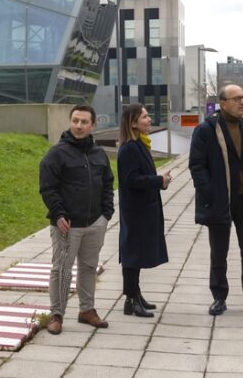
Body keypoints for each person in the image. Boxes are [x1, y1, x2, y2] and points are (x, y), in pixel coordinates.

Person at [189, 85, 243, 316]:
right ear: (222, 103)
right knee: (219, 252)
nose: (242, 102)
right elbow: (196, 166)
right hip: (220, 201)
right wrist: (210, 192)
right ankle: (219, 296)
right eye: (236, 98)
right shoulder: (206, 130)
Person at [39, 105, 114, 335]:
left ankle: (87, 310)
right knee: (62, 270)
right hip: (67, 225)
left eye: (84, 122)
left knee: (89, 267)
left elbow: (108, 183)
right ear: (70, 122)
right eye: (75, 121)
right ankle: (56, 314)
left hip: (95, 223)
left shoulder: (99, 154)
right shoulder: (56, 153)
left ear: (93, 125)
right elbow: (48, 188)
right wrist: (59, 213)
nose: (79, 126)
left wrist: (106, 214)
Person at [117, 104, 171, 317]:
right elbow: (131, 180)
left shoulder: (140, 144)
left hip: (143, 208)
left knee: (136, 255)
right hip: (135, 211)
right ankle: (131, 298)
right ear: (133, 122)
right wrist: (159, 180)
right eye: (145, 116)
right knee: (132, 255)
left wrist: (160, 182)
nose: (149, 120)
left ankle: (135, 295)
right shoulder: (130, 148)